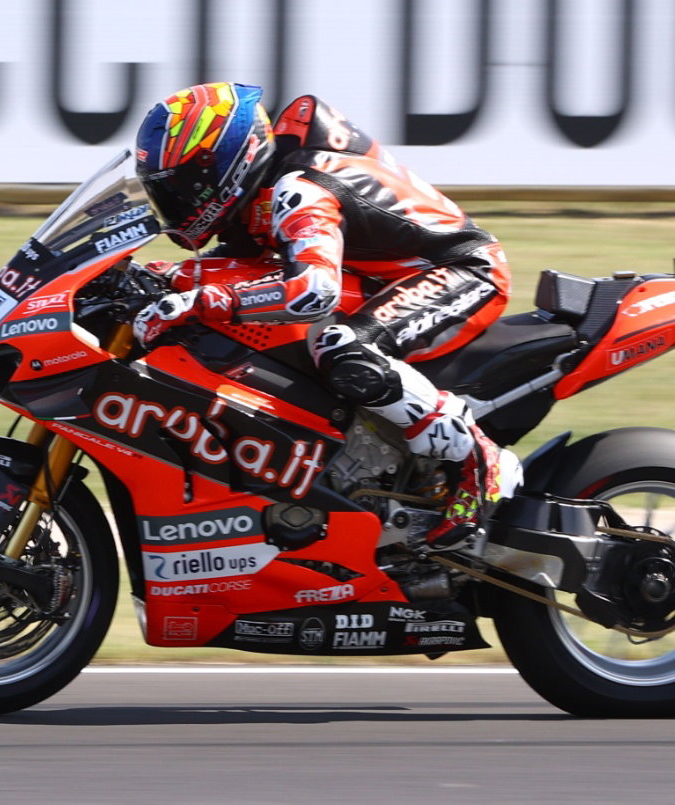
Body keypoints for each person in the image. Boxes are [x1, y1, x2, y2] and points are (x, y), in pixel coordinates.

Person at [130, 81, 522, 550]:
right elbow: (236, 268)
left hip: (464, 271)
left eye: (182, 188)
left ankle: (478, 458)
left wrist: (201, 301)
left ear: (226, 166)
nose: (175, 203)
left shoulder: (300, 190)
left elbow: (312, 292)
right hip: (384, 275)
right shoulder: (258, 194)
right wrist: (147, 277)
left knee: (342, 346)